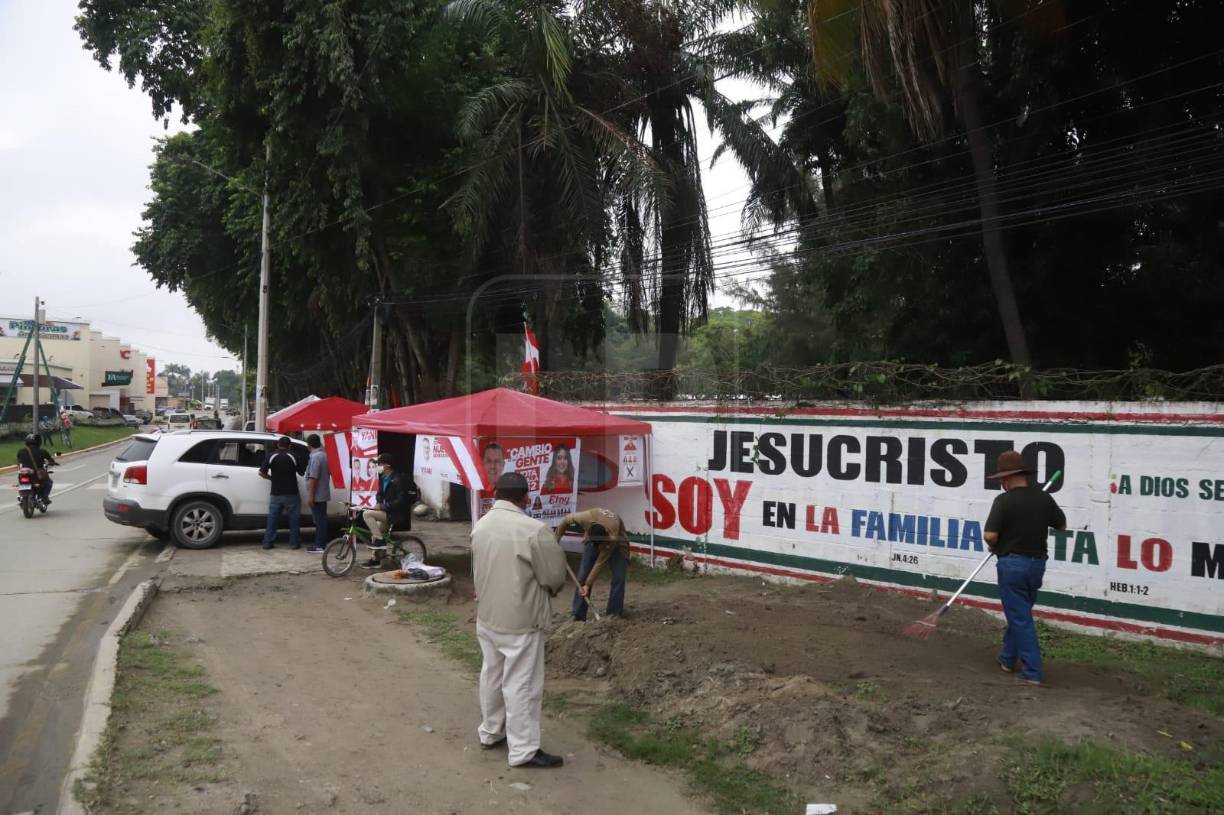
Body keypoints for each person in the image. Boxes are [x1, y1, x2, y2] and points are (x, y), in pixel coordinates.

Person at [471, 471, 568, 769]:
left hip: (487, 616)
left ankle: (491, 732)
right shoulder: (534, 530)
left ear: (496, 493)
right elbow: (554, 577)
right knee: (522, 685)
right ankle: (524, 750)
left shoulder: (481, 525)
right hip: (522, 619)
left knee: (492, 676)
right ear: (525, 497)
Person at [983, 450, 1067, 686]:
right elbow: (1062, 525)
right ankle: (1008, 659)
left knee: (1020, 618)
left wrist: (996, 544)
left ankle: (1032, 672)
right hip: (1037, 566)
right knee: (1019, 613)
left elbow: (990, 535)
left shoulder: (1003, 500)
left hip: (1012, 566)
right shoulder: (1044, 499)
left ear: (1006, 479)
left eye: (1001, 479)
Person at [555, 508, 631, 620]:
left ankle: (614, 614)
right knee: (583, 576)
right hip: (593, 539)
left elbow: (599, 562)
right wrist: (555, 541)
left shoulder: (612, 536)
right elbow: (565, 520)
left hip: (618, 545)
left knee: (618, 578)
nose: (598, 549)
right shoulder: (584, 518)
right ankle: (578, 614)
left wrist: (588, 584)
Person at [361, 454, 417, 569]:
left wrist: (383, 506)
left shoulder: (397, 479)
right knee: (375, 532)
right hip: (386, 512)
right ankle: (376, 560)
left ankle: (380, 542)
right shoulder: (383, 479)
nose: (378, 466)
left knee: (366, 514)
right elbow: (379, 494)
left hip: (394, 513)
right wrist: (379, 502)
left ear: (387, 465)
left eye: (380, 464)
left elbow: (401, 501)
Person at [259, 436, 302, 550]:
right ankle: (294, 543)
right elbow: (302, 472)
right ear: (290, 446)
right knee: (294, 519)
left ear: (278, 444)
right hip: (291, 493)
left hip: (276, 494)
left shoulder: (271, 456)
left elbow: (261, 473)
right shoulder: (293, 456)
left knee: (272, 519)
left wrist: (271, 478)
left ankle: (267, 543)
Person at [304, 434, 331, 555]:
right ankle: (320, 543)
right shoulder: (325, 455)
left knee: (319, 520)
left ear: (309, 445)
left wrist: (311, 495)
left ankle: (320, 545)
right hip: (322, 492)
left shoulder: (316, 457)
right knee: (321, 519)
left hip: (317, 494)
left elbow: (314, 477)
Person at [16, 433, 55, 504]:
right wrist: (52, 463)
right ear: (39, 441)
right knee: (49, 482)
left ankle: (22, 496)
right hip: (37, 474)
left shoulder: (21, 451)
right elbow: (50, 460)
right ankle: (44, 497)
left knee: (21, 481)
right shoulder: (42, 451)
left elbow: (19, 461)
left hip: (24, 473)